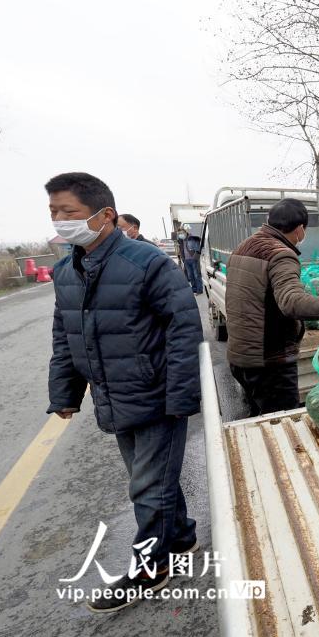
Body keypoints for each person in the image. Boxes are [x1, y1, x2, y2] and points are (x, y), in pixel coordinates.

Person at [46, 172, 204, 613]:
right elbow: (65, 334)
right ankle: (182, 536)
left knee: (148, 487)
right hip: (113, 397)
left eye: (70, 213)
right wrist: (65, 392)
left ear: (106, 215)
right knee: (153, 479)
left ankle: (150, 567)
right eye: (54, 213)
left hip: (156, 395)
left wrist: (183, 397)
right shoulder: (67, 271)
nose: (61, 221)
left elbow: (184, 328)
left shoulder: (147, 263)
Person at [226, 199, 319, 416]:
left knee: (259, 422)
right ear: (301, 229)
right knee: (283, 426)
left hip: (240, 356)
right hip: (269, 363)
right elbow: (291, 301)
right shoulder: (280, 254)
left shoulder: (242, 247)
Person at [178, 224, 203, 295]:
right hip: (186, 260)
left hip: (193, 260)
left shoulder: (192, 238)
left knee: (196, 275)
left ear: (186, 232)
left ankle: (199, 290)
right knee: (190, 276)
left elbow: (198, 249)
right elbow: (181, 250)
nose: (181, 235)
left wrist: (195, 258)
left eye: (182, 233)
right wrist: (183, 259)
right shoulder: (181, 240)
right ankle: (194, 289)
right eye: (179, 234)